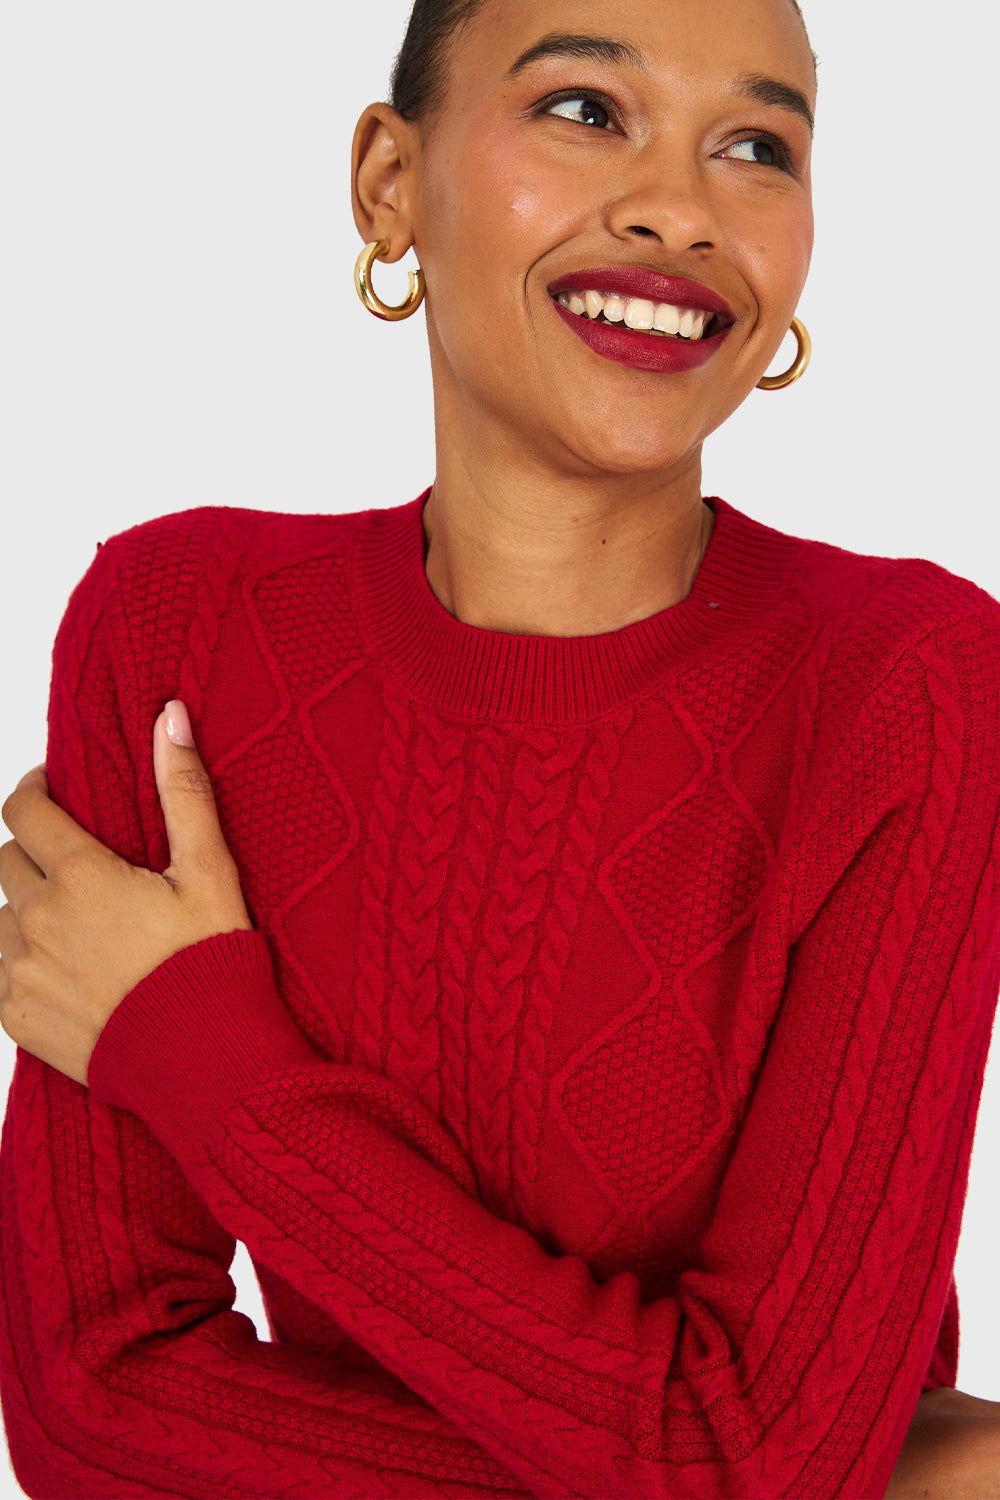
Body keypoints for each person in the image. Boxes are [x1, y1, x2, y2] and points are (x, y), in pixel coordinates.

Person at [0, 0, 998, 1495]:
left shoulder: (908, 686)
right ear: (388, 182)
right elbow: (91, 1406)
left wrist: (207, 1064)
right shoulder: (176, 629)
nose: (681, 209)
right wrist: (890, 1478)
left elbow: (759, 1467)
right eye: (585, 110)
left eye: (756, 146)